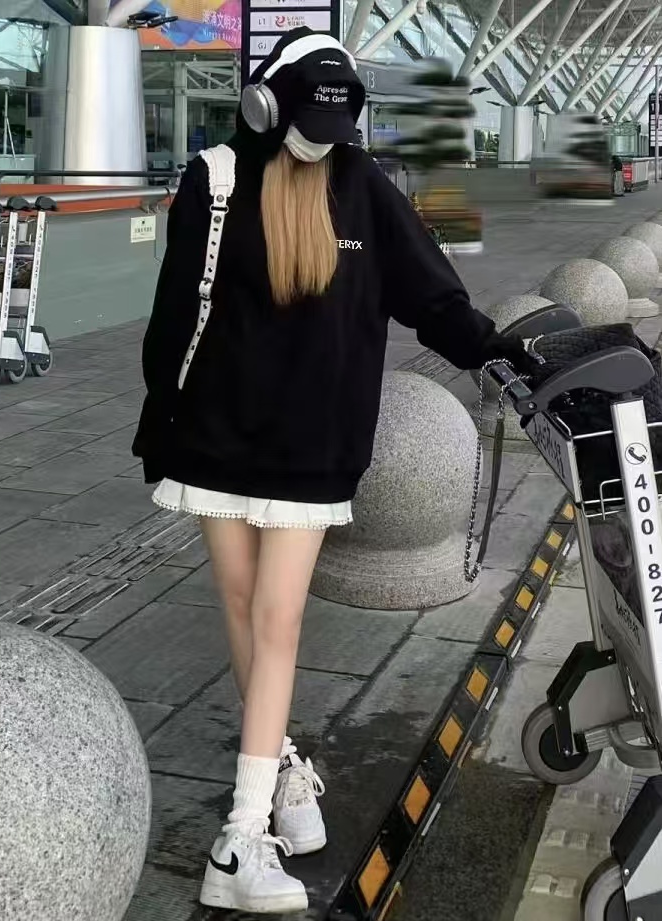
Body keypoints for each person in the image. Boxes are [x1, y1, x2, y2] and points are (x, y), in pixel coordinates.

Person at [133, 27, 533, 915]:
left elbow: (432, 297)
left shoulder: (361, 185)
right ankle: (252, 821)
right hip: (219, 438)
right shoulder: (215, 177)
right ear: (264, 105)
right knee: (252, 612)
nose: (323, 140)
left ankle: (257, 806)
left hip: (304, 448)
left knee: (269, 620)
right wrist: (161, 420)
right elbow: (175, 321)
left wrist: (500, 351)